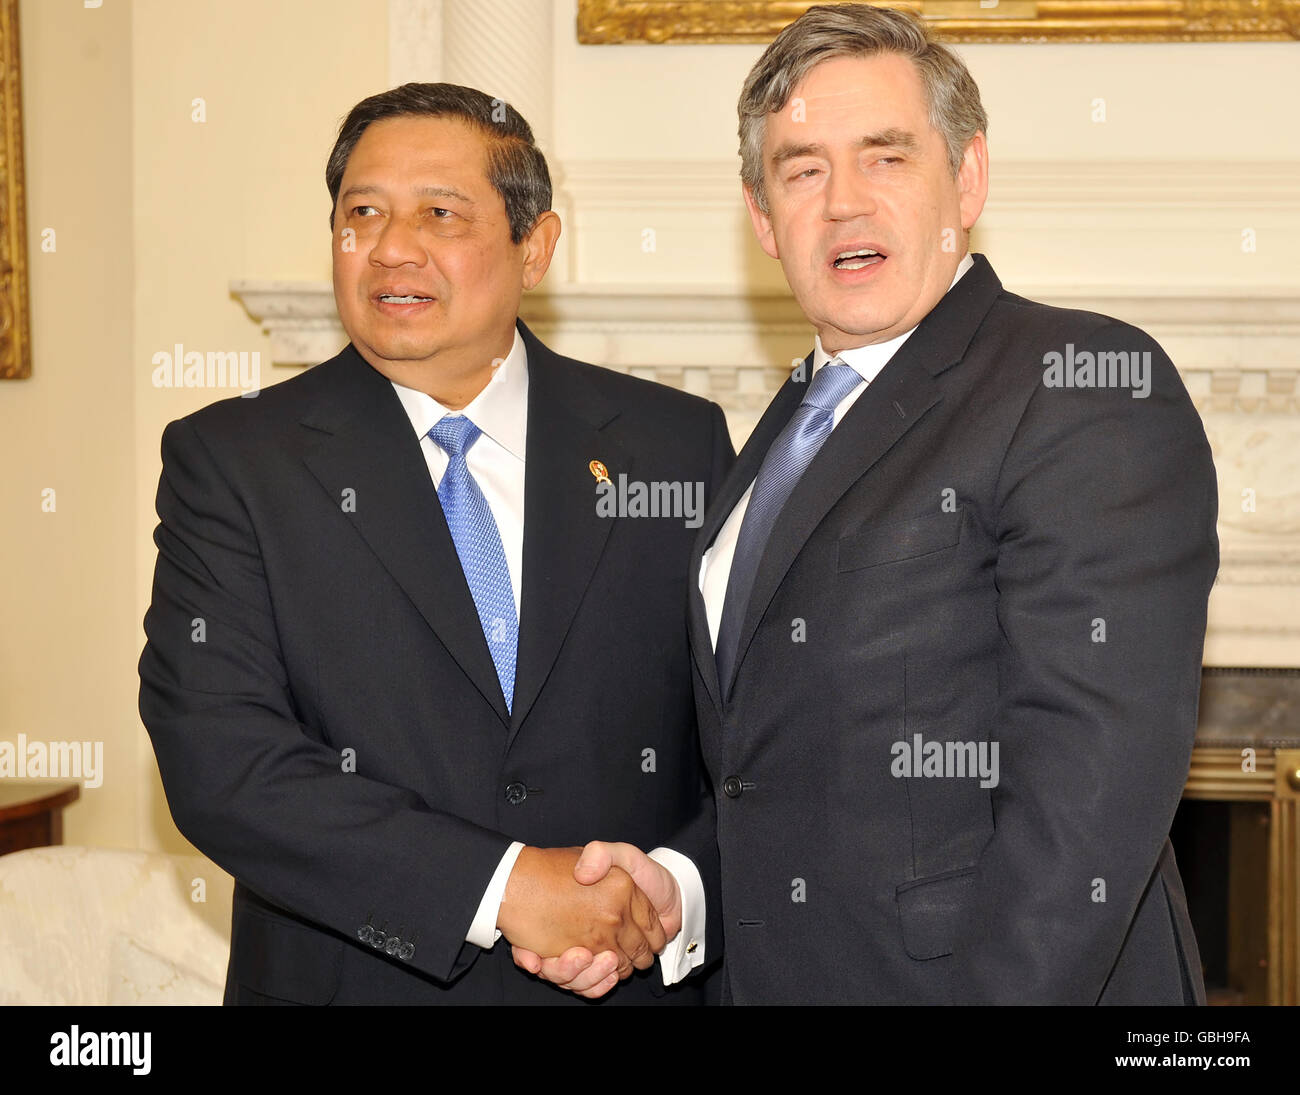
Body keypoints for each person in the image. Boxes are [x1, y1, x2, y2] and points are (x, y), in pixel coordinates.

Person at [518, 3, 1217, 1005]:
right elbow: (779, 777)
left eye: (885, 158)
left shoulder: (1077, 385)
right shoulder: (785, 430)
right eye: (802, 169)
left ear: (965, 179)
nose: (843, 201)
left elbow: (1087, 799)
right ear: (762, 218)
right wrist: (679, 892)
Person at [138, 82, 731, 1005]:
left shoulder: (672, 444)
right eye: (361, 212)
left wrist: (673, 890)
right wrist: (503, 888)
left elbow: (748, 743)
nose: (391, 247)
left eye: (439, 213)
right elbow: (222, 758)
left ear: (533, 245)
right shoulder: (234, 462)